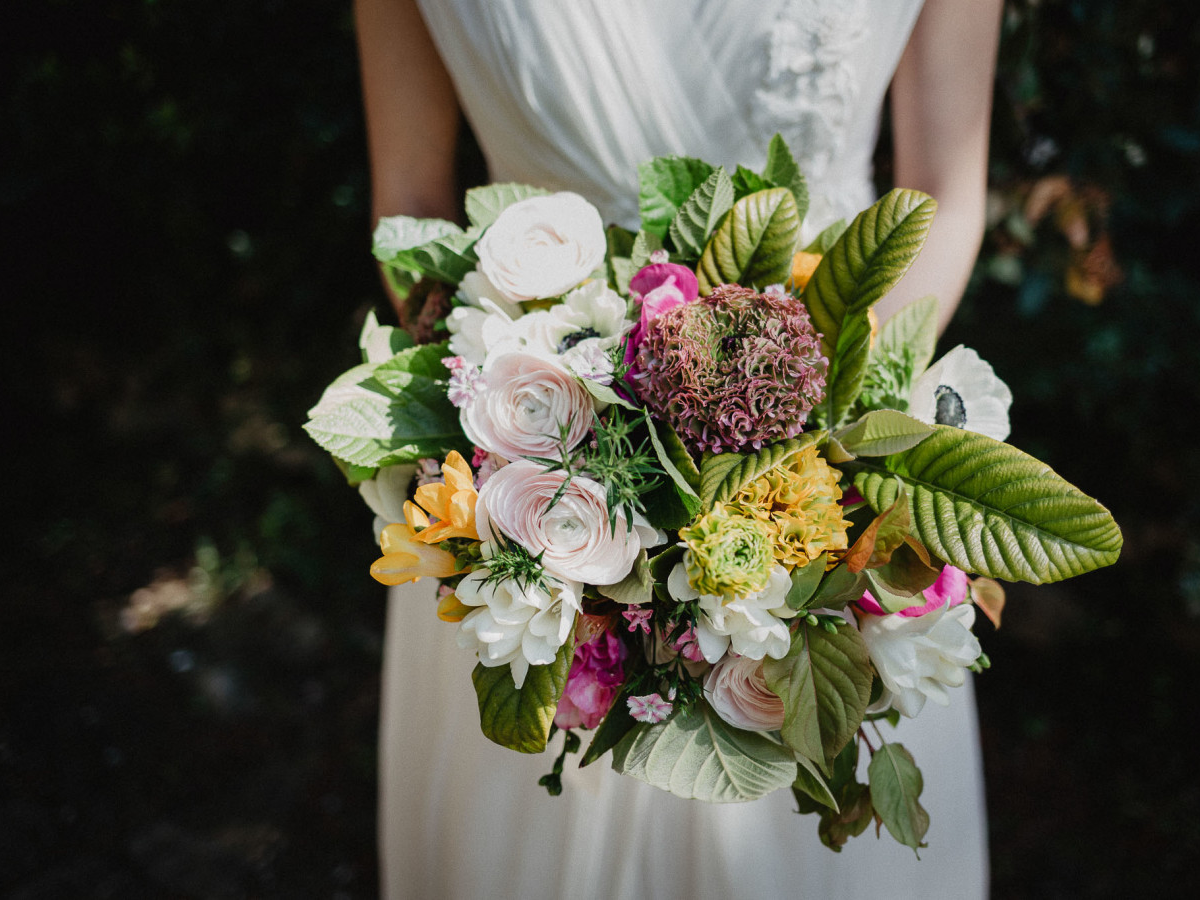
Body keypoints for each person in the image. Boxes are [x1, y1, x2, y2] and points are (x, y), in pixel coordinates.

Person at [354, 1, 1003, 897]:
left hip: (834, 484)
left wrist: (815, 437)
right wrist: (534, 441)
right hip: (528, 491)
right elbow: (412, 211)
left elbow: (945, 195)